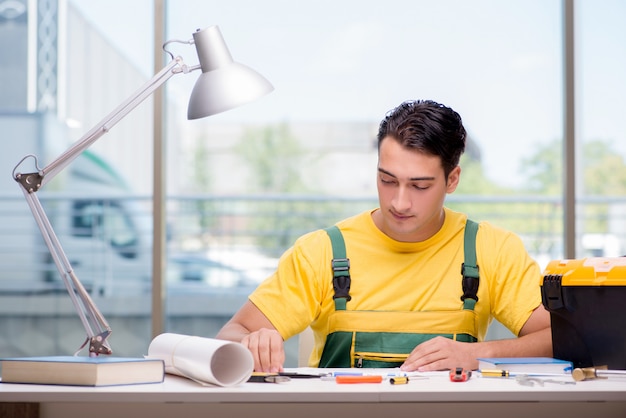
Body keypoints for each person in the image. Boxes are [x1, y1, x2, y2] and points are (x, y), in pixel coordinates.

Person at [216, 99, 552, 372]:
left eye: (420, 186)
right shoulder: (323, 252)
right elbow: (232, 334)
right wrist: (252, 344)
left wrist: (475, 356)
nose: (399, 202)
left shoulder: (488, 249)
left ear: (452, 180)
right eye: (387, 180)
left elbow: (559, 339)